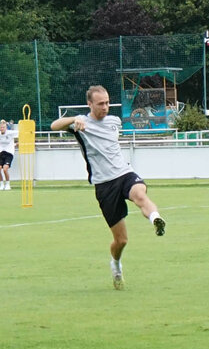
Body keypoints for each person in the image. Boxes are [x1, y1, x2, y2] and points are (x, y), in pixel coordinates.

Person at [50, 86, 166, 290]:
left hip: (124, 173)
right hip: (104, 185)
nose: (105, 107)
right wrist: (74, 120)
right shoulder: (80, 123)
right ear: (90, 104)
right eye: (100, 104)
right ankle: (116, 265)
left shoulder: (114, 121)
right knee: (121, 241)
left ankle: (156, 219)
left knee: (140, 195)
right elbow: (54, 126)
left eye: (107, 102)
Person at [0, 119, 14, 190]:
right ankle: (1, 184)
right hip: (1, 153)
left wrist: (17, 143)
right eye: (1, 127)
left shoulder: (10, 133)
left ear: (6, 127)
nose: (2, 128)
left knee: (5, 169)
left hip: (9, 153)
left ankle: (8, 184)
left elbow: (20, 133)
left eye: (3, 127)